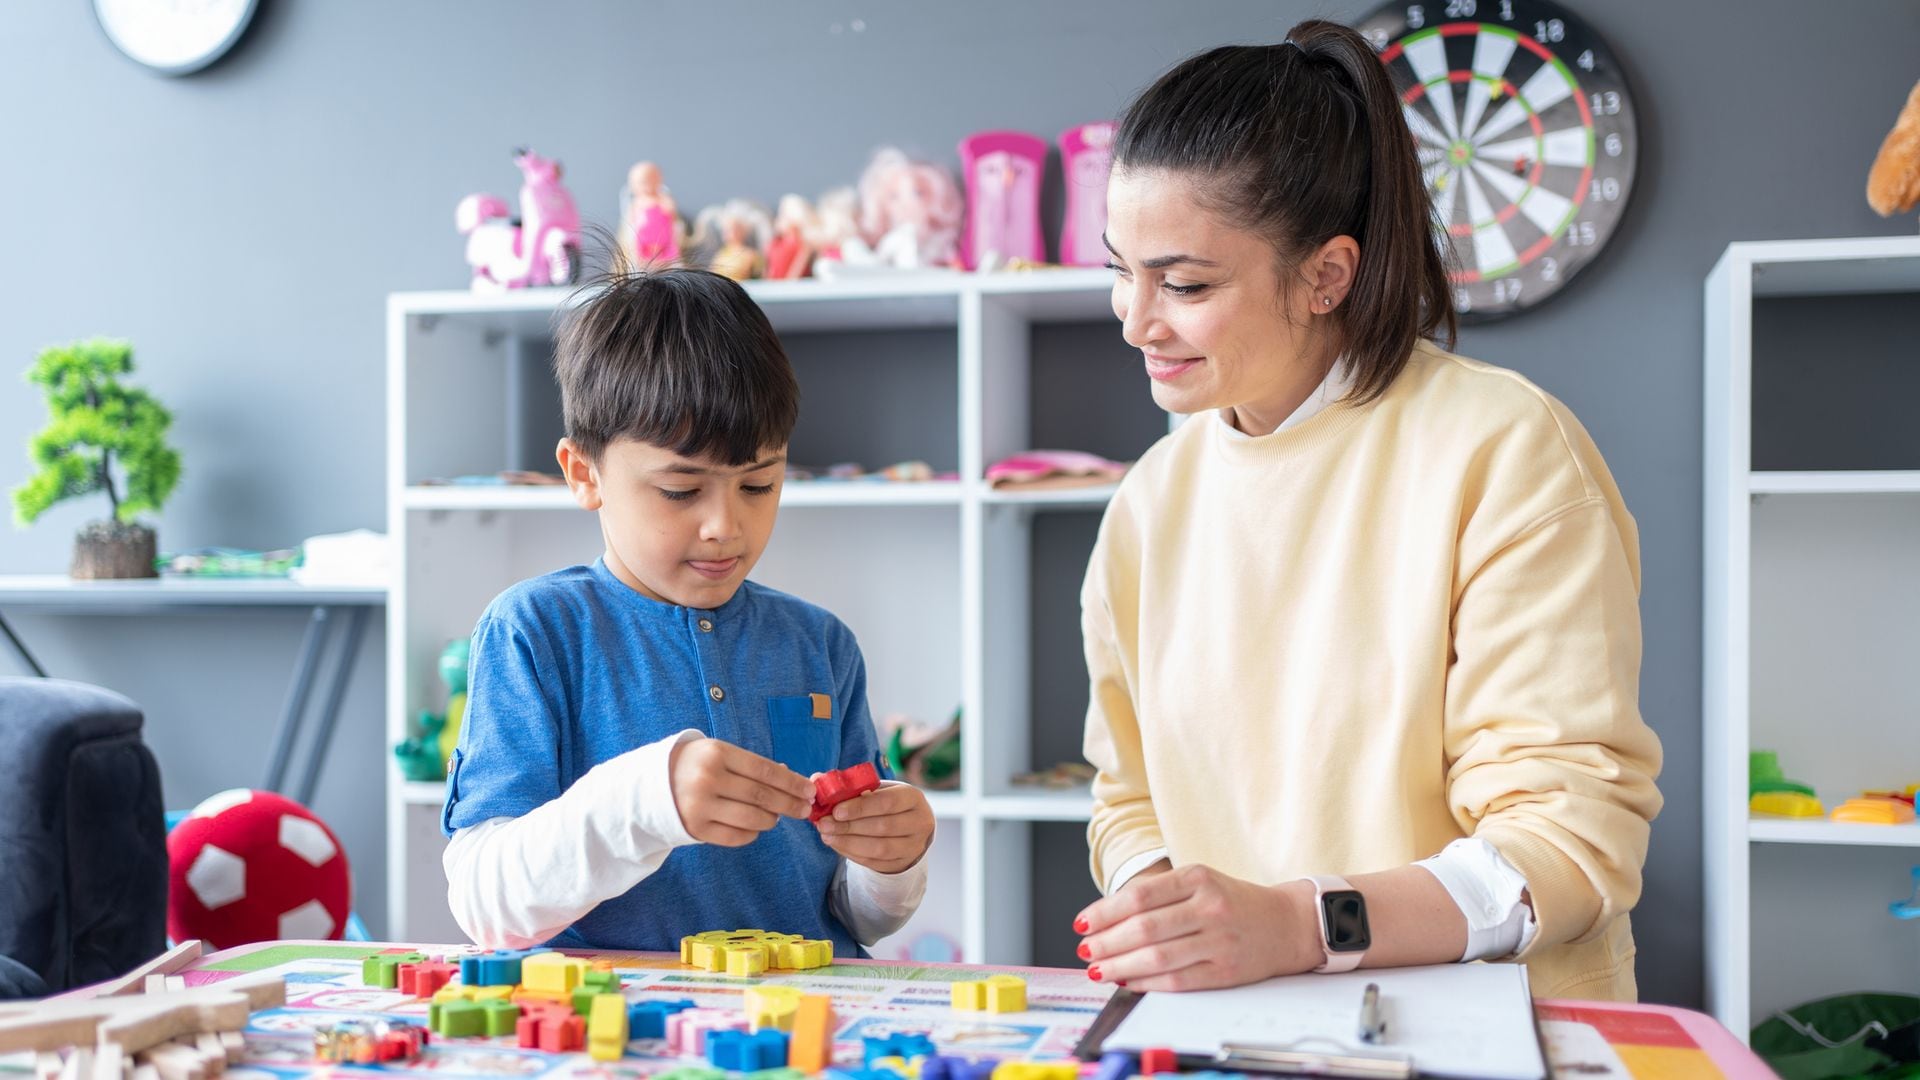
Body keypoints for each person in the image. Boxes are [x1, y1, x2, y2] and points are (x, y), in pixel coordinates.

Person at [1072, 20, 1663, 1001]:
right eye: (1118, 272)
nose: (1137, 320)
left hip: (1499, 1033)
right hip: (1247, 1028)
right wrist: (1170, 915)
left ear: (1326, 276)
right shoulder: (1149, 502)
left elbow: (1566, 845)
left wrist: (1302, 926)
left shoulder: (1503, 449)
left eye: (1182, 282)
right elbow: (1127, 799)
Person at [442, 269, 935, 953]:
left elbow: (855, 917)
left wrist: (894, 863)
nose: (724, 525)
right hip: (618, 1038)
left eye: (759, 483)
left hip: (803, 1028)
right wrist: (646, 800)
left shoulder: (820, 643)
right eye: (680, 490)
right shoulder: (535, 631)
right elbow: (485, 903)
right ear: (584, 474)